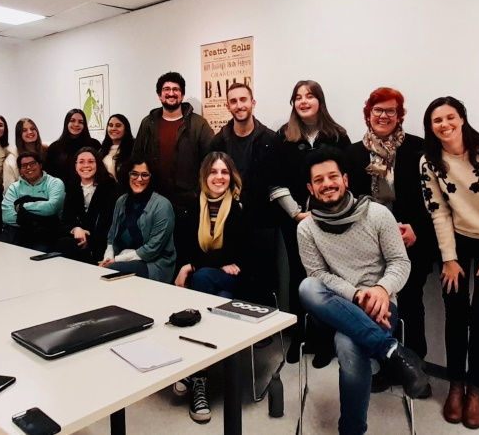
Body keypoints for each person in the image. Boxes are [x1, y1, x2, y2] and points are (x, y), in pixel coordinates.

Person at [297, 147, 428, 435]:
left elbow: (399, 262)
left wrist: (381, 289)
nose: (327, 184)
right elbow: (318, 275)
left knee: (348, 343)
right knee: (308, 287)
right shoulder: (306, 229)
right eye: (319, 180)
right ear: (310, 188)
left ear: (345, 180)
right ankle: (391, 349)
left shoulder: (377, 215)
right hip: (335, 305)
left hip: (382, 306)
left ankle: (351, 430)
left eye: (333, 176)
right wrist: (356, 295)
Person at [419, 96, 479, 429]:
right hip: (456, 244)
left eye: (450, 117)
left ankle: (476, 391)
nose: (444, 125)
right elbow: (439, 213)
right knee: (456, 317)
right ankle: (455, 387)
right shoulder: (429, 161)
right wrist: (449, 259)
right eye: (436, 121)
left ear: (462, 118)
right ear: (430, 127)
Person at [343, 87, 438, 396]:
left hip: (413, 241)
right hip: (372, 246)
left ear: (400, 116)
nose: (384, 116)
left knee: (411, 303)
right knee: (382, 306)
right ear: (368, 114)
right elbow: (352, 201)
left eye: (391, 111)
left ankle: (416, 368)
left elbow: (435, 200)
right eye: (378, 110)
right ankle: (387, 366)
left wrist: (417, 230)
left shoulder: (419, 149)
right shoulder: (354, 153)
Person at [272, 80, 351, 363]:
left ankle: (325, 339)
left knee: (328, 278)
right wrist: (296, 213)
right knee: (298, 276)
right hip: (294, 219)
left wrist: (324, 213)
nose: (303, 101)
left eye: (310, 96)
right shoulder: (283, 136)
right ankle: (300, 336)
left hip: (331, 219)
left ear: (320, 100)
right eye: (297, 97)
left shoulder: (338, 136)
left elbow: (344, 180)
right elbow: (275, 180)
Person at [173, 151, 245, 424]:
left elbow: (237, 254)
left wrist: (192, 264)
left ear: (231, 176)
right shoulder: (191, 205)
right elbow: (186, 245)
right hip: (215, 285)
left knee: (203, 276)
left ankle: (195, 374)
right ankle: (203, 376)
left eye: (224, 172)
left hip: (233, 277)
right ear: (204, 176)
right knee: (220, 299)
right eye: (213, 172)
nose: (219, 177)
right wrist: (209, 261)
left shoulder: (237, 208)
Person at [209, 82, 281, 305]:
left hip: (263, 221)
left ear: (253, 103)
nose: (239, 105)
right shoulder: (218, 141)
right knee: (235, 277)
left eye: (243, 100)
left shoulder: (270, 140)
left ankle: (266, 331)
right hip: (229, 221)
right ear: (227, 106)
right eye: (233, 101)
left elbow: (278, 181)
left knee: (263, 279)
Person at [132, 72, 214, 267]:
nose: (171, 93)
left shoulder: (197, 124)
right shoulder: (148, 123)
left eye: (176, 90)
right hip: (155, 200)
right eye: (166, 89)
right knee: (156, 253)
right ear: (160, 95)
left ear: (182, 95)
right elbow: (137, 158)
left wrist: (198, 193)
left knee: (185, 253)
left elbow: (210, 159)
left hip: (188, 202)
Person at [100, 156, 176, 282]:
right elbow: (111, 237)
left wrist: (115, 261)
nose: (139, 179)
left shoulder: (162, 205)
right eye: (134, 174)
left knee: (111, 271)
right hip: (120, 258)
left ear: (152, 177)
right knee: (103, 270)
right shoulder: (121, 201)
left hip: (153, 264)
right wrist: (108, 258)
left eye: (145, 175)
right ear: (127, 175)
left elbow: (152, 249)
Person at [56, 148, 119, 264]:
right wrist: (76, 229)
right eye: (81, 162)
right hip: (81, 239)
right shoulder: (72, 186)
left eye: (90, 161)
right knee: (64, 244)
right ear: (75, 166)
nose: (86, 165)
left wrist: (89, 240)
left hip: (103, 241)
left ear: (98, 164)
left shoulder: (109, 187)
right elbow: (66, 218)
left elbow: (109, 221)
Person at [1, 151, 66, 252]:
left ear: (40, 165)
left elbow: (53, 207)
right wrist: (37, 221)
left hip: (47, 234)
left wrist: (21, 206)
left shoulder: (55, 183)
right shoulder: (14, 187)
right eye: (24, 165)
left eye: (32, 163)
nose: (29, 168)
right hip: (18, 232)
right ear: (20, 170)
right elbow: (7, 216)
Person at [45, 109, 102, 184]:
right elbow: (50, 175)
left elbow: (100, 170)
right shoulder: (55, 148)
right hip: (63, 191)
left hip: (89, 190)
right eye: (72, 120)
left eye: (80, 122)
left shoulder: (94, 144)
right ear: (66, 123)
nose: (76, 124)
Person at [4, 118, 48, 192]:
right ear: (19, 135)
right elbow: (8, 190)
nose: (30, 132)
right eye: (24, 130)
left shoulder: (46, 151)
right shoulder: (11, 160)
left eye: (32, 129)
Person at [101, 114, 134, 180]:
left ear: (126, 130)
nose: (113, 128)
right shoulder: (102, 150)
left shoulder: (133, 149)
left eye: (118, 126)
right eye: (110, 125)